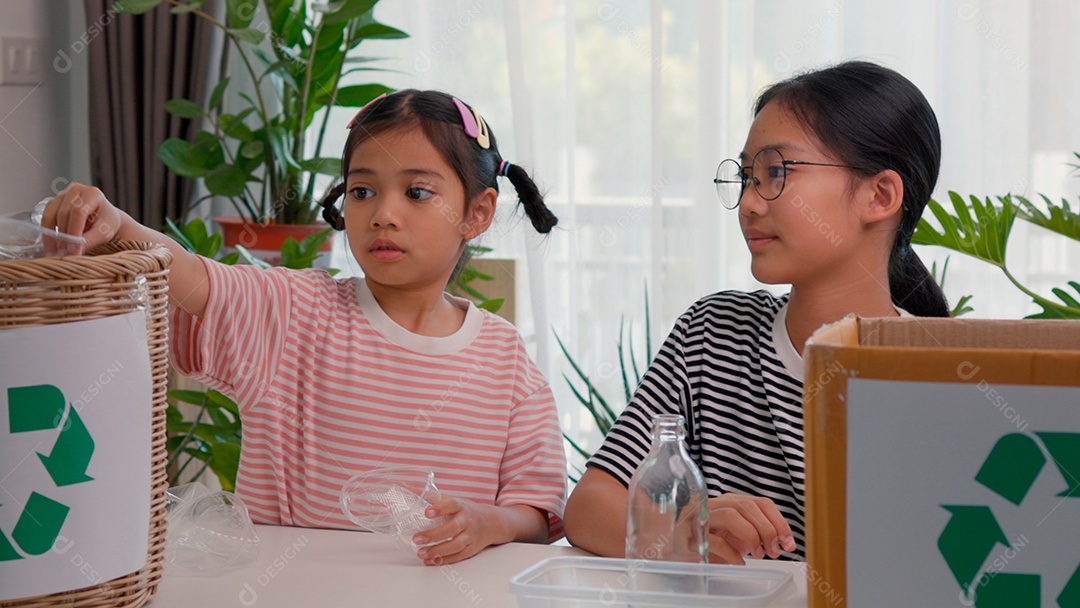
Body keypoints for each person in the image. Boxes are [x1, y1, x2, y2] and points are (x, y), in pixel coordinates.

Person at [44, 89, 567, 566]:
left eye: (416, 193)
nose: (383, 214)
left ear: (477, 213)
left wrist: (488, 523)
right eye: (362, 192)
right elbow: (191, 276)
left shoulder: (504, 357)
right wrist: (119, 227)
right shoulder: (293, 312)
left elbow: (538, 510)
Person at [563, 61, 949, 564]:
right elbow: (591, 507)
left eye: (775, 172)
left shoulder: (938, 372)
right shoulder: (711, 335)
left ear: (879, 196)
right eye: (746, 176)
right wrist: (685, 536)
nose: (747, 202)